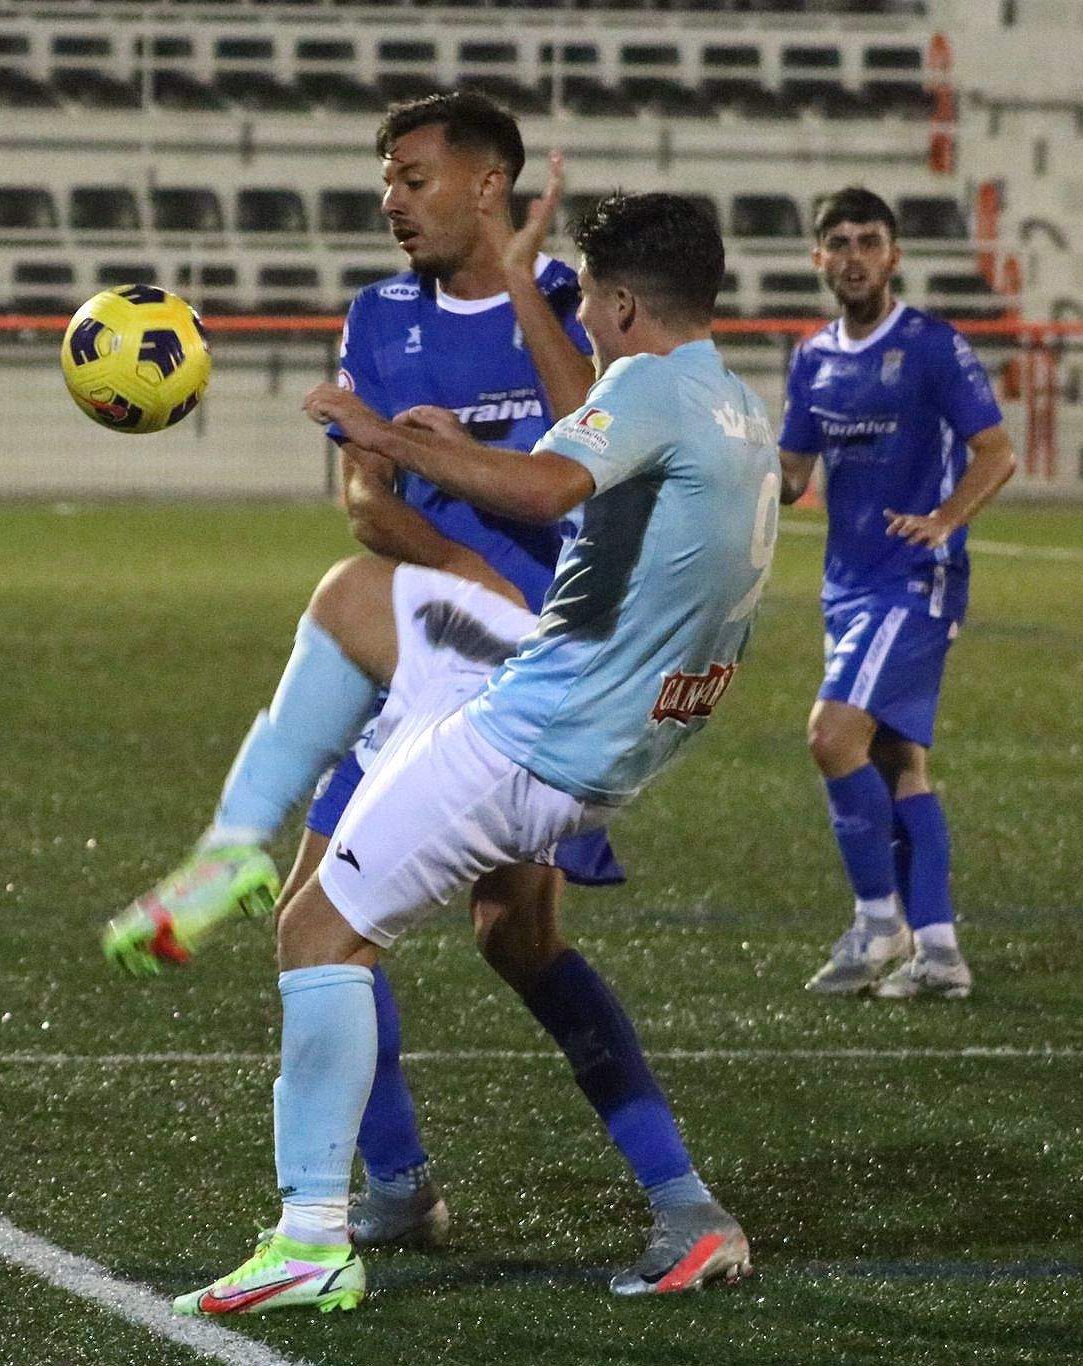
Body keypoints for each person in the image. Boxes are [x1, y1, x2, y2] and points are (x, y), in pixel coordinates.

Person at [172, 191, 779, 1317]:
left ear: (624, 302)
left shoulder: (644, 387)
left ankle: (311, 1230)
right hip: (629, 741)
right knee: (519, 938)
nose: (582, 315)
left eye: (588, 299)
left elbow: (549, 484)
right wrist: (460, 440)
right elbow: (593, 465)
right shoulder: (735, 406)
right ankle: (688, 1210)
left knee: (314, 928)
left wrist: (388, 438)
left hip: (534, 734)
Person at [100, 92, 633, 1250]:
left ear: (486, 184)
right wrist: (458, 566)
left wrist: (527, 285)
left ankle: (667, 1184)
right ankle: (397, 1187)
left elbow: (593, 442)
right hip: (420, 648)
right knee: (321, 921)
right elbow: (362, 500)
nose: (390, 202)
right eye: (386, 181)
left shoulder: (563, 308)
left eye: (413, 178)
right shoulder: (379, 317)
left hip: (532, 676)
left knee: (514, 942)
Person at [779, 186, 1016, 1001]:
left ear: (894, 255)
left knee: (831, 735)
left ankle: (878, 922)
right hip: (846, 584)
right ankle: (941, 951)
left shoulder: (931, 347)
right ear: (817, 258)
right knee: (895, 759)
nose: (852, 256)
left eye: (867, 241)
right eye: (837, 242)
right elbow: (791, 476)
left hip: (915, 580)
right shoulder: (811, 357)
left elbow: (996, 451)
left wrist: (946, 520)